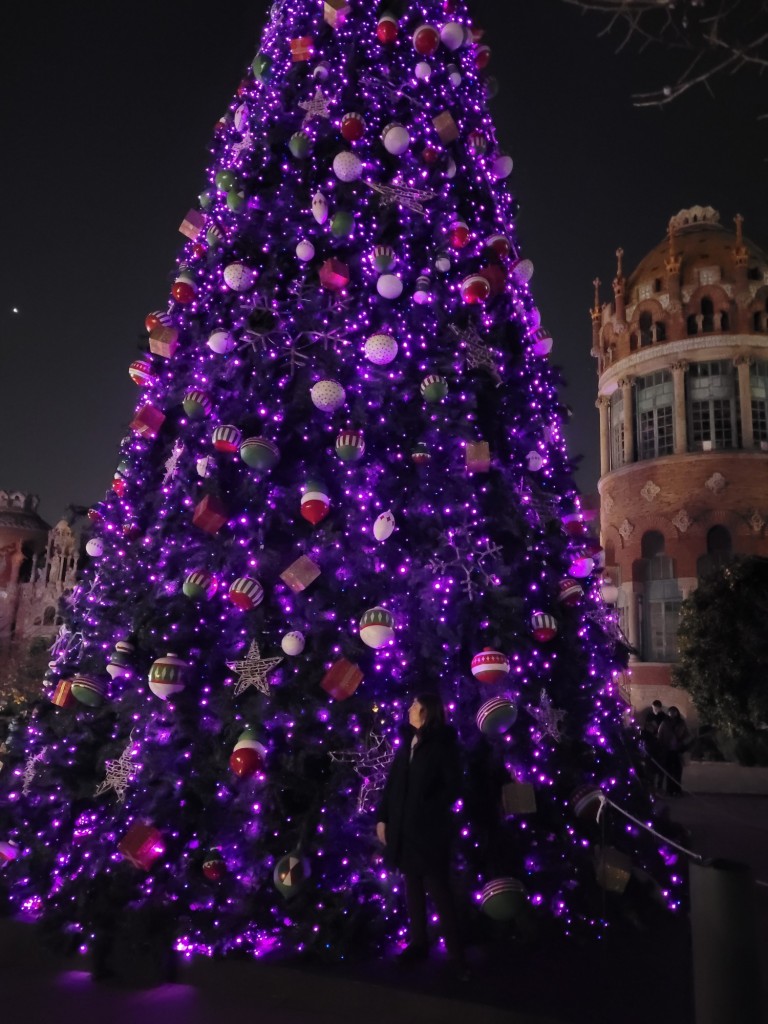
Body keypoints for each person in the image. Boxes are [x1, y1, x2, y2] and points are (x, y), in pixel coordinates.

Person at [375, 693, 467, 975]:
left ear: (428, 711)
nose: (410, 708)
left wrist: (428, 809)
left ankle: (455, 953)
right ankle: (419, 943)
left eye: (417, 705)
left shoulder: (443, 746)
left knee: (438, 887)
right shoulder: (408, 744)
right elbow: (393, 784)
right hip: (404, 828)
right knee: (411, 884)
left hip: (428, 831)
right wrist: (383, 819)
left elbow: (452, 787)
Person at [656, 705, 690, 796]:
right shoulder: (665, 723)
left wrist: (682, 743)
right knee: (669, 771)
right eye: (671, 712)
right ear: (668, 713)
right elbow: (660, 736)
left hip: (677, 750)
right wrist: (661, 747)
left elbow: (687, 735)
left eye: (674, 712)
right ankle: (669, 790)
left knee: (678, 771)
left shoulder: (681, 723)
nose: (672, 714)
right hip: (667, 750)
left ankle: (677, 790)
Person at [641, 700, 667, 792]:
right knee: (650, 767)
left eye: (656, 708)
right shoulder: (649, 716)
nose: (654, 710)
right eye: (653, 708)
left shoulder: (664, 717)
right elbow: (646, 728)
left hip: (660, 745)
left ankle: (659, 786)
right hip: (650, 745)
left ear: (660, 708)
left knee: (660, 767)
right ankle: (651, 785)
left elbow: (665, 730)